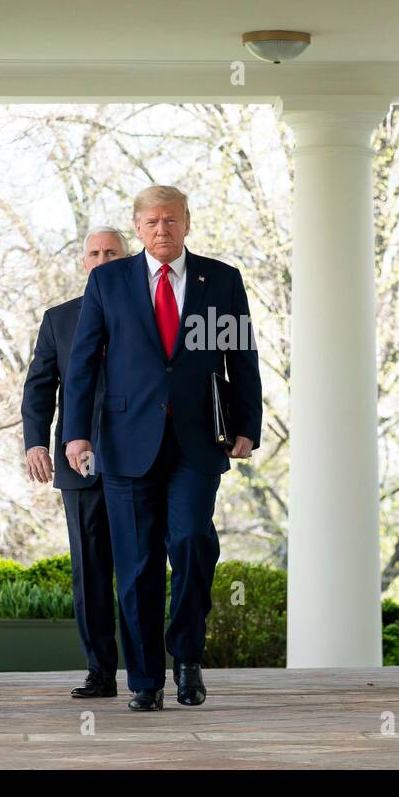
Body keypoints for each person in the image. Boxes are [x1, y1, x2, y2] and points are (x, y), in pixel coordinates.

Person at [63, 185, 262, 711]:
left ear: (187, 223)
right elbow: (82, 363)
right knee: (136, 564)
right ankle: (146, 681)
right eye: (151, 223)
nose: (161, 231)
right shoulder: (109, 282)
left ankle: (188, 659)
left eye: (170, 221)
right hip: (125, 442)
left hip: (196, 443)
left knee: (193, 541)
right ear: (139, 227)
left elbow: (240, 356)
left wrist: (247, 425)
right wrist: (75, 433)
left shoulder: (220, 280)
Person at [21, 226, 127, 698]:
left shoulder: (151, 313)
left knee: (141, 566)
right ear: (84, 262)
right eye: (95, 253)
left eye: (112, 253)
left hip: (139, 460)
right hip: (78, 462)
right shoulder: (60, 319)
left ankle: (149, 671)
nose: (103, 260)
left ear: (127, 259)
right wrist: (35, 443)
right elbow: (40, 386)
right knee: (90, 570)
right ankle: (101, 672)